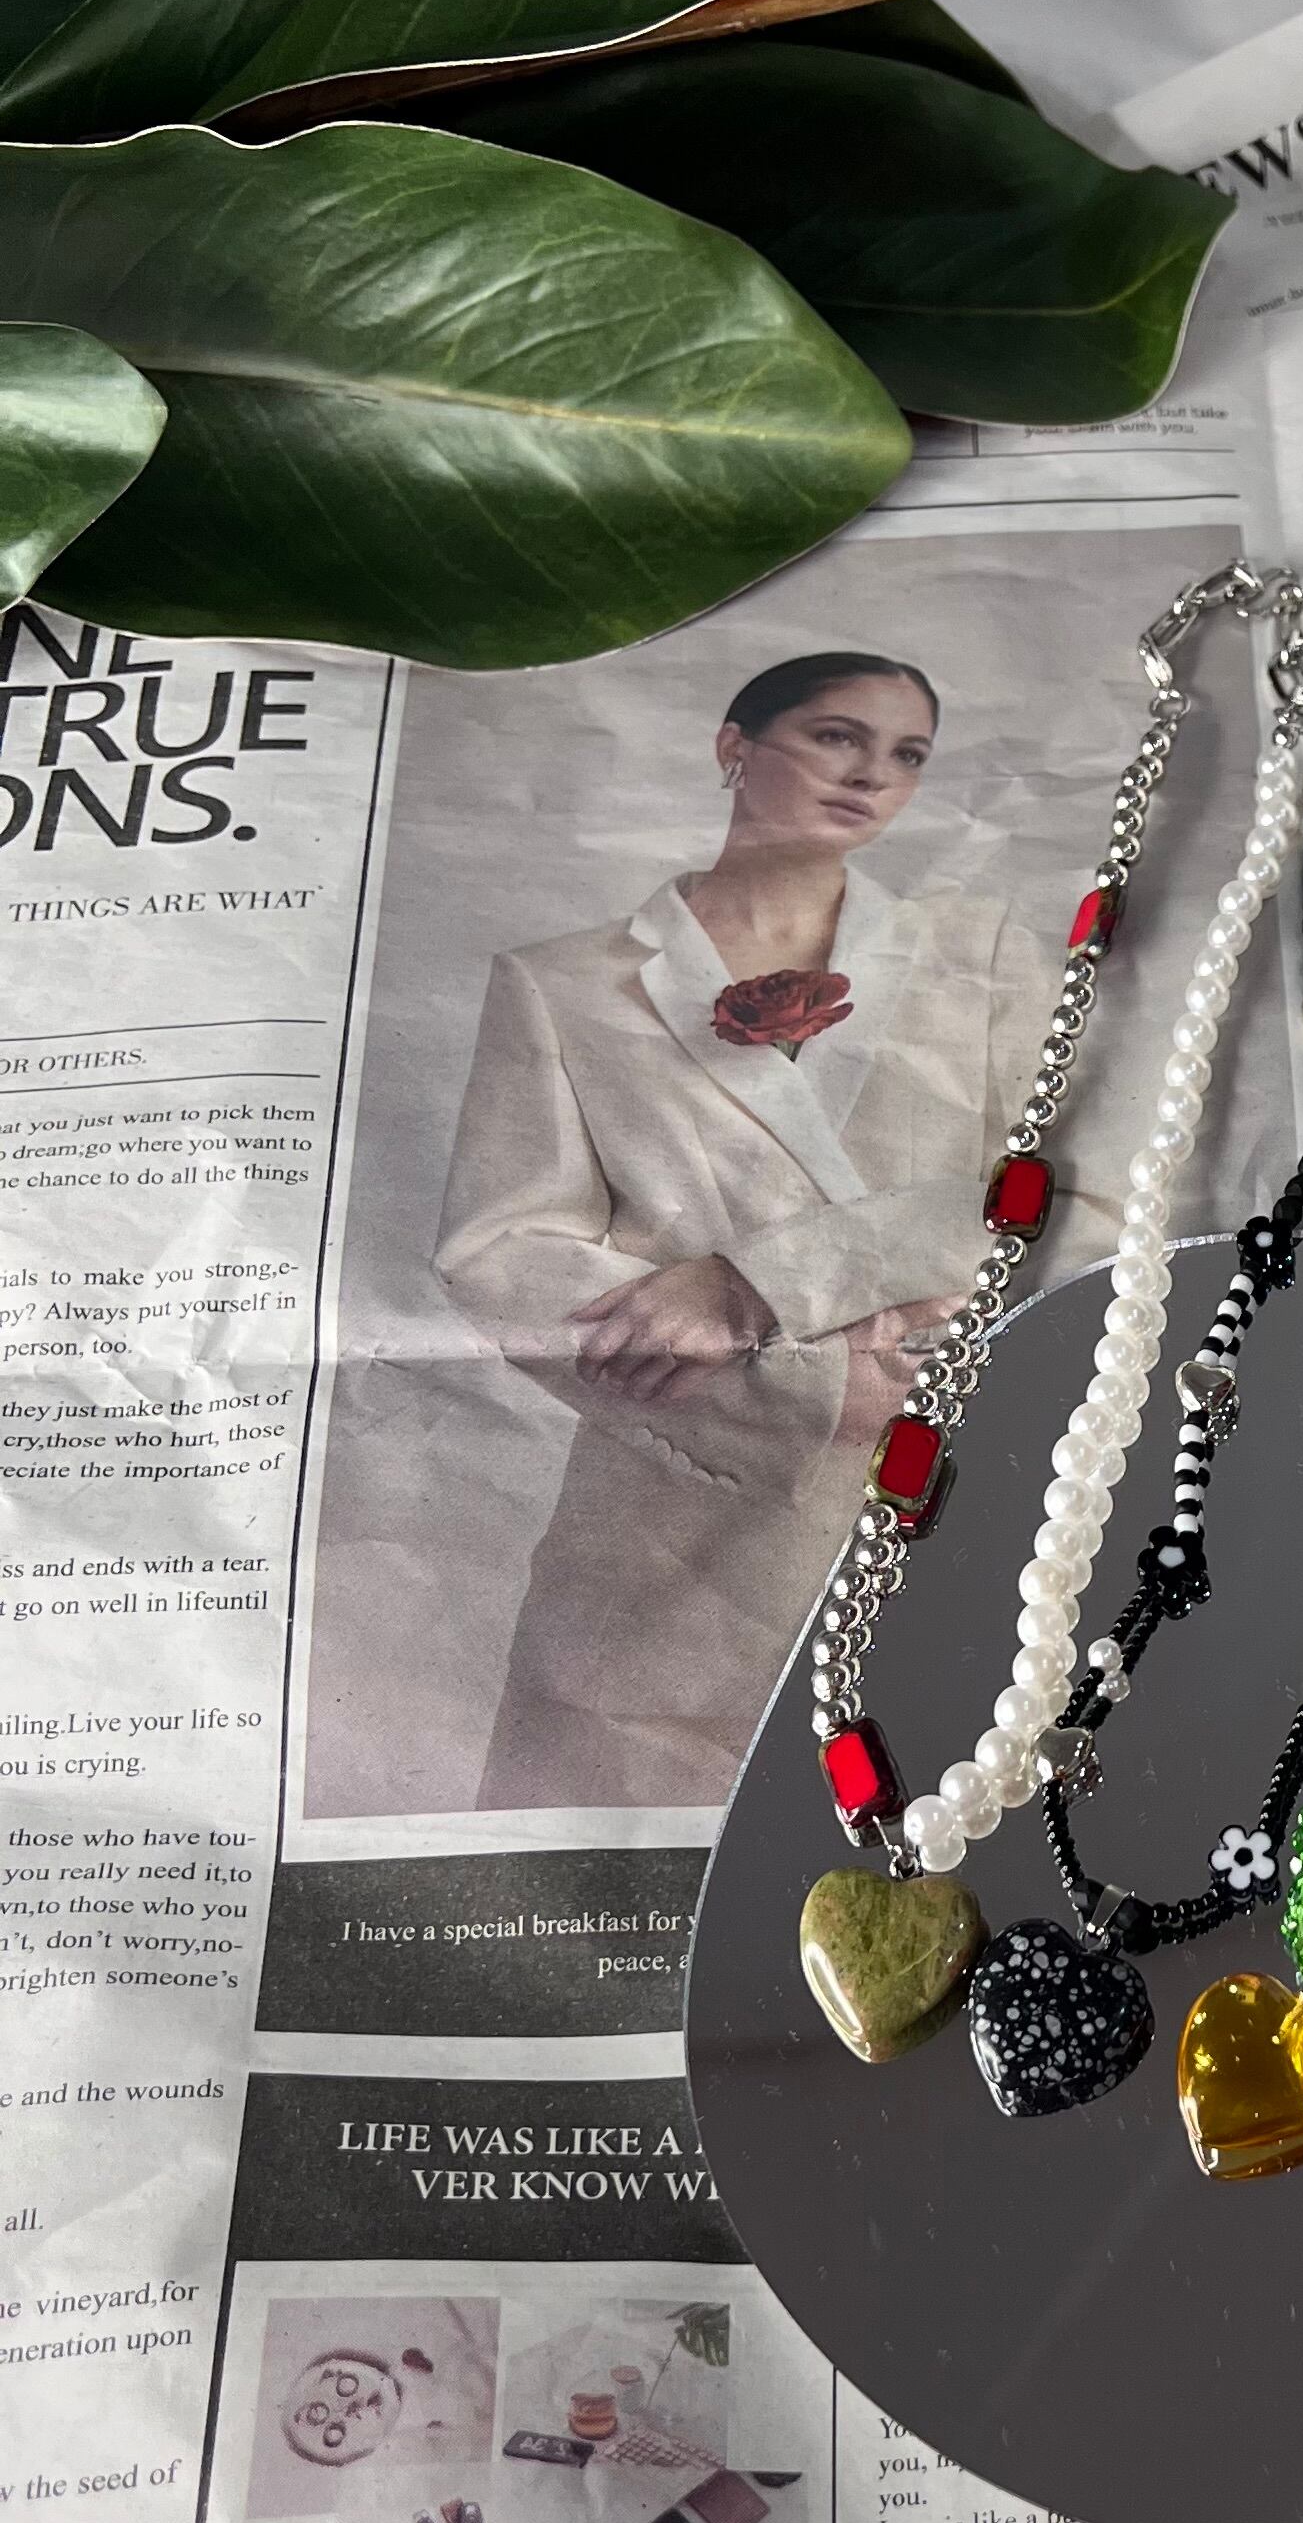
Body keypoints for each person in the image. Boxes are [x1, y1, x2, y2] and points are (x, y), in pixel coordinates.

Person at [436, 651, 1061, 1809]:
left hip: (974, 1513)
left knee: (953, 1846)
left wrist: (759, 1281)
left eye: (906, 756)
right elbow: (501, 1255)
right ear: (736, 747)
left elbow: (1063, 1194)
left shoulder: (979, 955)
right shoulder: (562, 982)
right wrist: (819, 1385)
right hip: (672, 1557)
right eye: (836, 736)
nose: (870, 775)